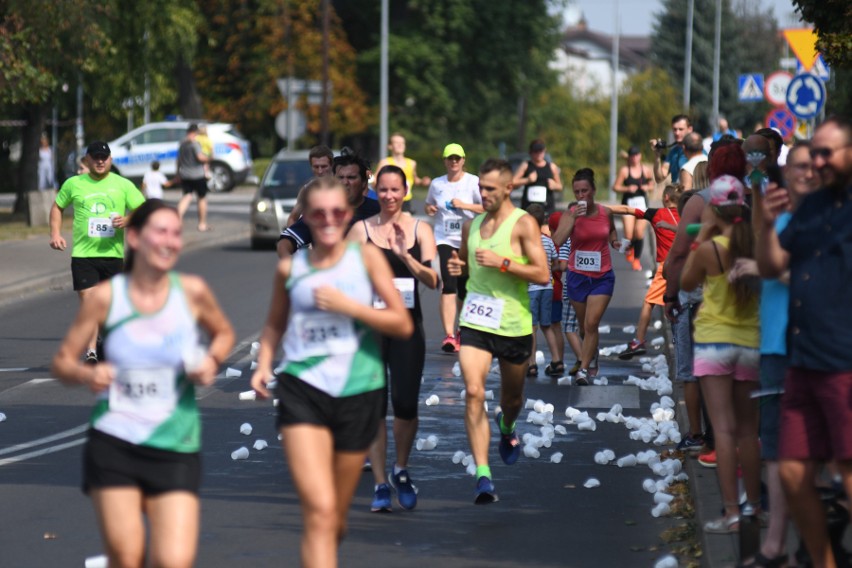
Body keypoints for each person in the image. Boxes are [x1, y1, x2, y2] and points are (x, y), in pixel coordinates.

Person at [50, 199, 235, 568]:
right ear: (133, 238)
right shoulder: (106, 297)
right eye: (160, 232)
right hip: (115, 442)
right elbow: (62, 362)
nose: (170, 242)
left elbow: (225, 333)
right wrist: (89, 373)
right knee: (127, 555)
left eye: (176, 234)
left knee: (174, 559)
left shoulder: (192, 291)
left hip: (175, 441)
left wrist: (211, 361)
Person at [251, 176, 413, 566]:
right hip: (302, 388)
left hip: (359, 389)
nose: (328, 220)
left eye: (337, 212)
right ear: (305, 216)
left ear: (348, 215)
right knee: (319, 512)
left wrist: (350, 307)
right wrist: (263, 364)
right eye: (318, 213)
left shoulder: (366, 259)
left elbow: (401, 324)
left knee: (334, 518)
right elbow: (275, 324)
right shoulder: (290, 269)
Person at [756, 116, 852, 568]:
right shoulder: (811, 207)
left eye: (828, 152)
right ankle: (823, 561)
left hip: (843, 361)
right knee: (793, 473)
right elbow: (773, 266)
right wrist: (768, 221)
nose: (818, 162)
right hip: (802, 358)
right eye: (815, 152)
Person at [446, 158, 549, 503]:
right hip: (475, 320)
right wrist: (457, 266)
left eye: (490, 188)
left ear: (508, 189)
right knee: (474, 392)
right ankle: (483, 475)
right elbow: (464, 266)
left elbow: (542, 274)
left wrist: (505, 263)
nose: (483, 193)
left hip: (513, 324)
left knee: (512, 399)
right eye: (481, 188)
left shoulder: (524, 224)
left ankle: (507, 427)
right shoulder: (471, 226)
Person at [737, 142, 817, 568]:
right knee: (775, 448)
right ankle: (774, 546)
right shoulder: (779, 219)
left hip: (816, 346)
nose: (803, 174)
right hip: (774, 347)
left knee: (811, 451)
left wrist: (767, 269)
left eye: (812, 166)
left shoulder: (830, 222)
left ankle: (808, 543)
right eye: (796, 167)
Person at [347, 165, 438, 512]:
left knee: (405, 405)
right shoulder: (360, 230)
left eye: (394, 190)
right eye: (382, 190)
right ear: (376, 190)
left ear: (405, 191)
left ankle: (401, 468)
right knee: (373, 407)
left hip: (407, 329)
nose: (388, 196)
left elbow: (433, 280)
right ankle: (381, 483)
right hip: (370, 330)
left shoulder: (420, 230)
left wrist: (404, 257)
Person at [681, 175, 762, 535]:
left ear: (714, 209)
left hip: (714, 342)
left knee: (724, 431)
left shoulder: (710, 249)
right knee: (749, 430)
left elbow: (684, 282)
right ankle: (753, 507)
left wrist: (702, 235)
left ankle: (731, 514)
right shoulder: (755, 244)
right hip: (750, 343)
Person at [663, 140, 747, 464]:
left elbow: (680, 256)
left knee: (696, 371)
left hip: (704, 303)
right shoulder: (758, 196)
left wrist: (670, 295)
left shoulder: (702, 201)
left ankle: (703, 438)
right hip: (749, 301)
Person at [49, 141, 146, 364]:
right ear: (88, 160)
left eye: (104, 157)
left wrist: (128, 219)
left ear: (110, 160)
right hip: (83, 255)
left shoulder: (122, 184)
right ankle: (91, 351)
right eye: (96, 157)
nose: (100, 161)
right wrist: (55, 233)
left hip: (113, 255)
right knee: (90, 301)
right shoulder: (74, 183)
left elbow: (143, 208)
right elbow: (57, 207)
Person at [552, 168, 624, 385]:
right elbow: (558, 239)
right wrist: (573, 218)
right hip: (577, 276)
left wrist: (614, 242)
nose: (581, 195)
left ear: (593, 190)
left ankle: (583, 368)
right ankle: (592, 352)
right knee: (584, 327)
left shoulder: (605, 212)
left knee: (592, 324)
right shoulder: (570, 213)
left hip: (602, 276)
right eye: (577, 192)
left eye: (585, 191)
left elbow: (611, 230)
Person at [612, 183, 683, 359]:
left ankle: (639, 340)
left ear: (666, 198)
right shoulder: (686, 215)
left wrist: (603, 208)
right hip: (687, 264)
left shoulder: (657, 213)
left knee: (648, 303)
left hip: (666, 268)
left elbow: (628, 209)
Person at [424, 143, 484, 353]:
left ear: (463, 160)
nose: (454, 162)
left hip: (467, 239)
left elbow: (486, 206)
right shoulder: (437, 184)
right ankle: (449, 335)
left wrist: (465, 205)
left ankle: (462, 329)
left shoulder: (473, 182)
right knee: (448, 284)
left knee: (464, 287)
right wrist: (430, 208)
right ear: (445, 161)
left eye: (457, 158)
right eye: (450, 158)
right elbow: (428, 203)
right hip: (445, 239)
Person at [277, 150, 380, 258]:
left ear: (363, 183)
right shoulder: (321, 211)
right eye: (340, 178)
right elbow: (286, 241)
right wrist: (289, 264)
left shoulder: (378, 210)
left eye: (351, 178)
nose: (345, 183)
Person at [524, 203, 559, 377]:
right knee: (547, 326)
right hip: (548, 287)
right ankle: (556, 359)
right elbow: (556, 262)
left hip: (531, 288)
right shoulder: (548, 241)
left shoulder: (525, 242)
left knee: (531, 328)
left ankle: (531, 363)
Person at [612, 145, 655, 271]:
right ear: (630, 157)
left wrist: (647, 187)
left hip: (642, 205)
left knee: (639, 232)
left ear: (640, 156)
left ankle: (636, 259)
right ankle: (629, 249)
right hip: (628, 205)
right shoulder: (625, 171)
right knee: (629, 234)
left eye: (637, 155)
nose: (635, 158)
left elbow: (652, 184)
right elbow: (615, 187)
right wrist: (627, 189)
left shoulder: (645, 170)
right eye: (632, 156)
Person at [376, 133, 431, 213]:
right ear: (390, 146)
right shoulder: (385, 162)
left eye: (402, 143)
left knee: (405, 224)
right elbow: (375, 181)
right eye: (396, 143)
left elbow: (415, 179)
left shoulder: (412, 163)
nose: (400, 145)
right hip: (390, 200)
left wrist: (423, 181)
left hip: (406, 201)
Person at [286, 145, 335, 227]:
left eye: (324, 166)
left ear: (331, 165)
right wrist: (292, 238)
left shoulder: (342, 187)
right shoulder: (307, 189)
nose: (320, 171)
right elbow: (292, 218)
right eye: (316, 167)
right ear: (311, 166)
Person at [176, 124, 211, 232]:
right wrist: (208, 158)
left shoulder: (182, 144)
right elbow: (200, 157)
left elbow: (178, 160)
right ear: (195, 132)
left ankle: (177, 219)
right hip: (197, 175)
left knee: (186, 197)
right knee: (201, 198)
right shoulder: (194, 144)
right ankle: (202, 224)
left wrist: (177, 173)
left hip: (185, 174)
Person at [513, 139, 563, 214]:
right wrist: (527, 180)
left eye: (541, 151)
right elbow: (513, 182)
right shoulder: (526, 165)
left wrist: (554, 185)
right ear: (531, 152)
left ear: (544, 151)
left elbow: (560, 186)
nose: (539, 153)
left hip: (547, 207)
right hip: (529, 207)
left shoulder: (552, 167)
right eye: (536, 151)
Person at [652, 114, 694, 184]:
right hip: (676, 194)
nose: (677, 133)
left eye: (681, 129)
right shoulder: (673, 152)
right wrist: (657, 157)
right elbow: (659, 178)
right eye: (674, 129)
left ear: (690, 129)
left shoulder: (698, 151)